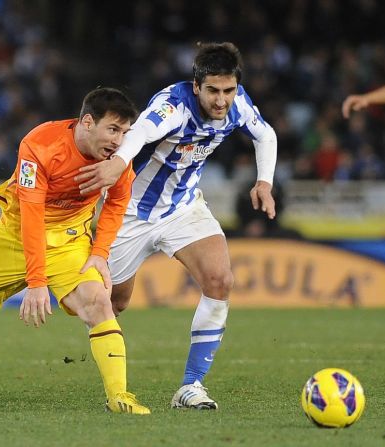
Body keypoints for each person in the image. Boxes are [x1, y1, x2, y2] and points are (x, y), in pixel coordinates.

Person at [0, 87, 150, 415]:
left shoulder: (116, 160)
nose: (119, 141)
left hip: (69, 241)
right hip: (15, 237)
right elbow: (32, 214)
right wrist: (36, 282)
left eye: (125, 132)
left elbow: (118, 201)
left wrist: (99, 252)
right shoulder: (41, 145)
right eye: (113, 129)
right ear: (88, 122)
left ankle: (119, 396)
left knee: (98, 304)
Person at [75, 42, 277, 410]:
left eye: (228, 90)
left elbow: (266, 135)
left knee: (220, 280)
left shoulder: (239, 105)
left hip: (183, 209)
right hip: (129, 213)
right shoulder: (173, 105)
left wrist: (264, 181)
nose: (221, 100)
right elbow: (137, 135)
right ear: (196, 85)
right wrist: (117, 164)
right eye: (213, 90)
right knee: (110, 303)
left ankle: (191, 387)